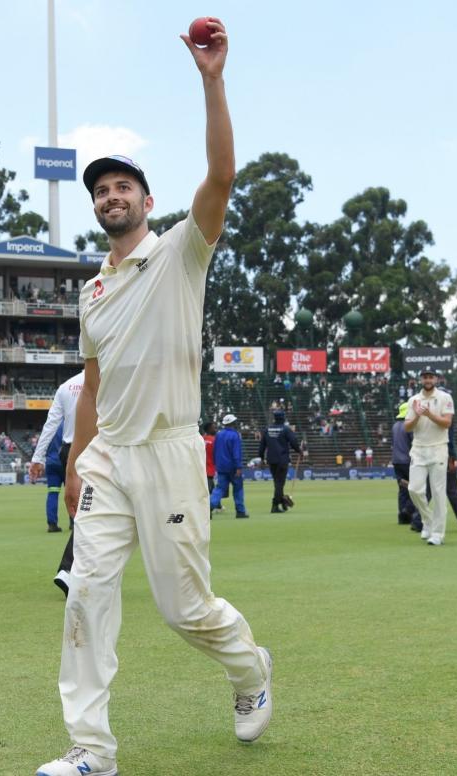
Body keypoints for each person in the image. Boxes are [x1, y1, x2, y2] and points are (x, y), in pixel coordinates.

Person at [39, 21, 273, 776]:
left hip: (171, 452)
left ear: (146, 199)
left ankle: (249, 671)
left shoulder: (179, 252)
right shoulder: (93, 292)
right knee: (85, 596)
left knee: (185, 612)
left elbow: (223, 176)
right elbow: (94, 383)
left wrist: (211, 80)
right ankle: (91, 751)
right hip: (110, 457)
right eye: (101, 191)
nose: (111, 197)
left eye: (122, 187)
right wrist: (78, 460)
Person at [30, 371, 86, 595]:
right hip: (96, 448)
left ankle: (72, 571)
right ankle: (69, 570)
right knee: (94, 512)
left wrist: (37, 457)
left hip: (68, 451)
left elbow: (51, 424)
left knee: (88, 511)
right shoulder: (107, 379)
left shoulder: (65, 387)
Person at [403, 367, 454, 545]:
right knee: (414, 489)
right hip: (418, 449)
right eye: (425, 377)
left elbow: (447, 423)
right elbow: (407, 427)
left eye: (431, 377)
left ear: (436, 379)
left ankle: (438, 534)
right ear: (421, 379)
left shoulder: (445, 398)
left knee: (439, 493)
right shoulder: (413, 400)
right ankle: (428, 520)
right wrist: (417, 415)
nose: (428, 380)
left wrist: (429, 414)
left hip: (439, 448)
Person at [258, 408, 302, 513]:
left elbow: (262, 446)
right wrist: (299, 451)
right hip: (282, 459)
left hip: (271, 460)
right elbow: (293, 442)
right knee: (279, 483)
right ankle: (275, 505)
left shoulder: (267, 429)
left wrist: (261, 458)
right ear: (283, 418)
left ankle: (282, 502)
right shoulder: (286, 429)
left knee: (277, 483)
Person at [210, 413, 249, 517]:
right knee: (238, 489)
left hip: (221, 467)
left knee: (219, 489)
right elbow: (236, 453)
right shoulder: (235, 435)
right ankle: (240, 512)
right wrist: (238, 466)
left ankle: (209, 506)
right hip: (232, 467)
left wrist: (216, 463)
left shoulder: (219, 434)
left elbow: (214, 451)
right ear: (233, 423)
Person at [392, 402, 414, 525]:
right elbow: (413, 443)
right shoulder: (409, 426)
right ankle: (408, 511)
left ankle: (402, 516)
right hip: (408, 461)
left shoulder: (395, 426)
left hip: (396, 461)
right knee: (415, 487)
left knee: (402, 489)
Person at [202, 420, 218, 496]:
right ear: (209, 429)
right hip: (210, 467)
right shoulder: (214, 440)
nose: (215, 429)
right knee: (209, 487)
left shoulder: (201, 439)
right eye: (213, 428)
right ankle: (210, 505)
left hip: (201, 467)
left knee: (211, 486)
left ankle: (217, 504)